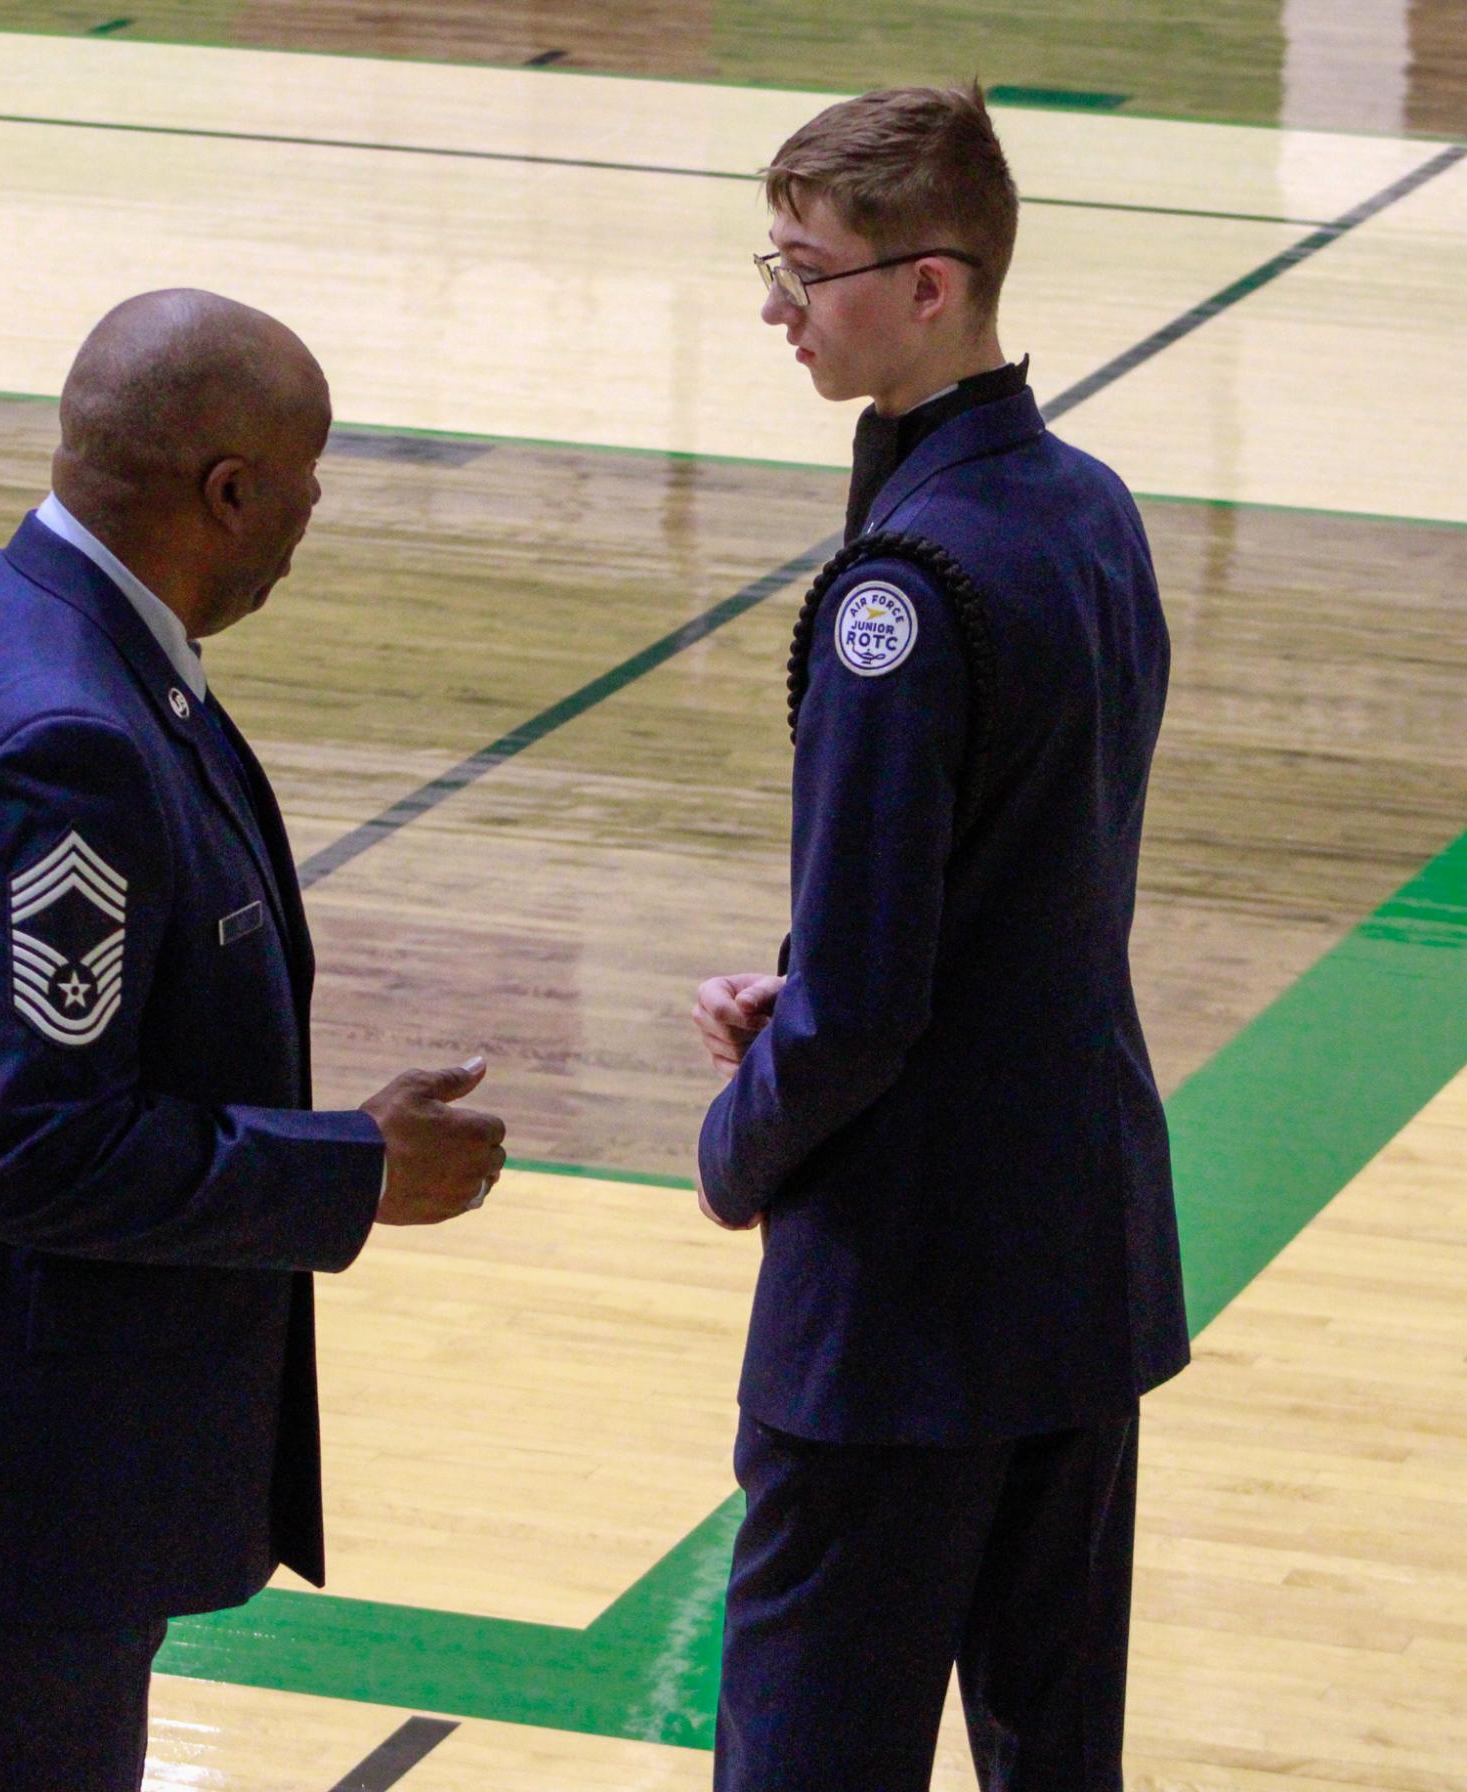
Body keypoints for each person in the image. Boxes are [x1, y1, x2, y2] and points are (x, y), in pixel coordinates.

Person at [0, 289, 508, 1792]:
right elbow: (30, 1151)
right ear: (231, 492)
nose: (310, 520)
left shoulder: (23, 615)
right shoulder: (61, 735)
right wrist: (349, 1172)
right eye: (308, 484)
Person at [690, 86, 1189, 1791]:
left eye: (807, 271)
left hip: (906, 1299)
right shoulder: (1092, 506)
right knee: (1056, 1759)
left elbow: (868, 1009)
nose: (775, 305)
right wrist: (827, 968)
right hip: (1080, 1255)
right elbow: (1029, 872)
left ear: (930, 285)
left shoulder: (901, 589)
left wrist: (737, 1145)